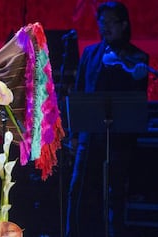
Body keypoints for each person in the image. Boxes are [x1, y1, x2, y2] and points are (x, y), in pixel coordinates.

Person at [64, 2, 149, 237]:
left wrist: (136, 76)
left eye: (111, 22)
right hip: (89, 137)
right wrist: (74, 135)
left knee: (115, 194)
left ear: (123, 25)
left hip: (119, 139)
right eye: (102, 22)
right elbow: (80, 92)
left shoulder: (136, 57)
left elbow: (136, 102)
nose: (106, 27)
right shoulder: (90, 53)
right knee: (78, 190)